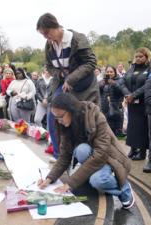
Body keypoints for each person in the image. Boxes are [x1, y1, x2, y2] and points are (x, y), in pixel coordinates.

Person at [38, 93, 134, 209]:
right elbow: (64, 156)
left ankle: (124, 188)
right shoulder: (65, 125)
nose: (58, 121)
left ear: (71, 110)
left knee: (97, 181)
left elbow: (100, 154)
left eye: (60, 116)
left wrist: (70, 183)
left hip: (109, 158)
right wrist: (50, 178)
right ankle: (94, 175)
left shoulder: (96, 116)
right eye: (55, 117)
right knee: (81, 150)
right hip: (93, 158)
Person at [36, 13, 100, 158]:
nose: (46, 37)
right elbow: (48, 66)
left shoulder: (77, 39)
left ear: (56, 26)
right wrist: (59, 74)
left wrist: (70, 79)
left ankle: (85, 156)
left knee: (82, 119)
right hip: (62, 83)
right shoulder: (49, 45)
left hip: (83, 84)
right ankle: (60, 155)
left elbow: (90, 63)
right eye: (42, 34)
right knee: (53, 115)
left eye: (46, 32)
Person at [119, 47, 151, 160]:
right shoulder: (131, 68)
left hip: (143, 103)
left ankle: (142, 152)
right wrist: (128, 95)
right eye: (136, 56)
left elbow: (148, 85)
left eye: (141, 56)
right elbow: (121, 82)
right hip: (131, 102)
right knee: (132, 127)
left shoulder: (150, 68)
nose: (138, 58)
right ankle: (133, 149)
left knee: (142, 127)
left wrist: (134, 95)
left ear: (146, 57)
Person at [99, 65, 125, 136]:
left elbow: (122, 91)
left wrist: (114, 84)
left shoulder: (120, 80)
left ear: (115, 72)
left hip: (116, 108)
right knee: (106, 130)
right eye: (108, 72)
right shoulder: (102, 81)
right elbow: (97, 92)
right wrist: (101, 85)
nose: (109, 73)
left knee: (116, 131)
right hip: (105, 108)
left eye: (111, 72)